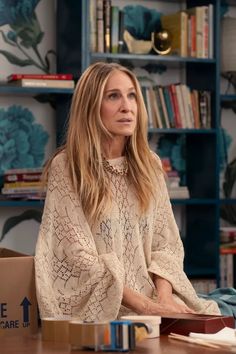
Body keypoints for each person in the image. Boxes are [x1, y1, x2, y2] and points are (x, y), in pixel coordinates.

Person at [35, 62, 220, 321]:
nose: (127, 106)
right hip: (103, 309)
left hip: (156, 301)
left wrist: (164, 300)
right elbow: (78, 257)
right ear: (91, 106)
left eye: (131, 95)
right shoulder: (68, 167)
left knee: (225, 306)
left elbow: (165, 244)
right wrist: (146, 307)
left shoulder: (150, 164)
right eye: (113, 96)